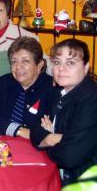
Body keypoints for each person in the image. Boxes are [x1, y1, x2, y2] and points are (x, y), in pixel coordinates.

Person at [30, 39, 97, 187]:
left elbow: (70, 156)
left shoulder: (92, 99)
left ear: (86, 68)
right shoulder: (55, 92)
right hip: (62, 177)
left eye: (70, 63)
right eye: (57, 62)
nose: (61, 69)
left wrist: (47, 141)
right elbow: (34, 129)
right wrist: (57, 138)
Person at [0, 37, 57, 138]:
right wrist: (18, 130)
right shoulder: (1, 85)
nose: (18, 67)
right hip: (2, 144)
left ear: (39, 65)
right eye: (14, 61)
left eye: (25, 61)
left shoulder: (52, 88)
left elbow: (51, 130)